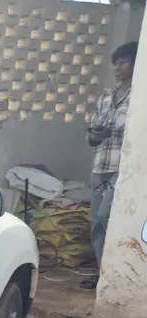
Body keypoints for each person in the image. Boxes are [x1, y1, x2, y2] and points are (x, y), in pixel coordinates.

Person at [83, 41, 138, 289]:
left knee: (106, 217)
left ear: (136, 64)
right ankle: (101, 272)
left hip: (122, 169)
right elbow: (90, 138)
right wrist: (95, 134)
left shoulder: (139, 98)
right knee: (96, 223)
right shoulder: (106, 97)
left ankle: (115, 273)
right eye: (115, 63)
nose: (117, 68)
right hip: (100, 167)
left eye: (123, 62)